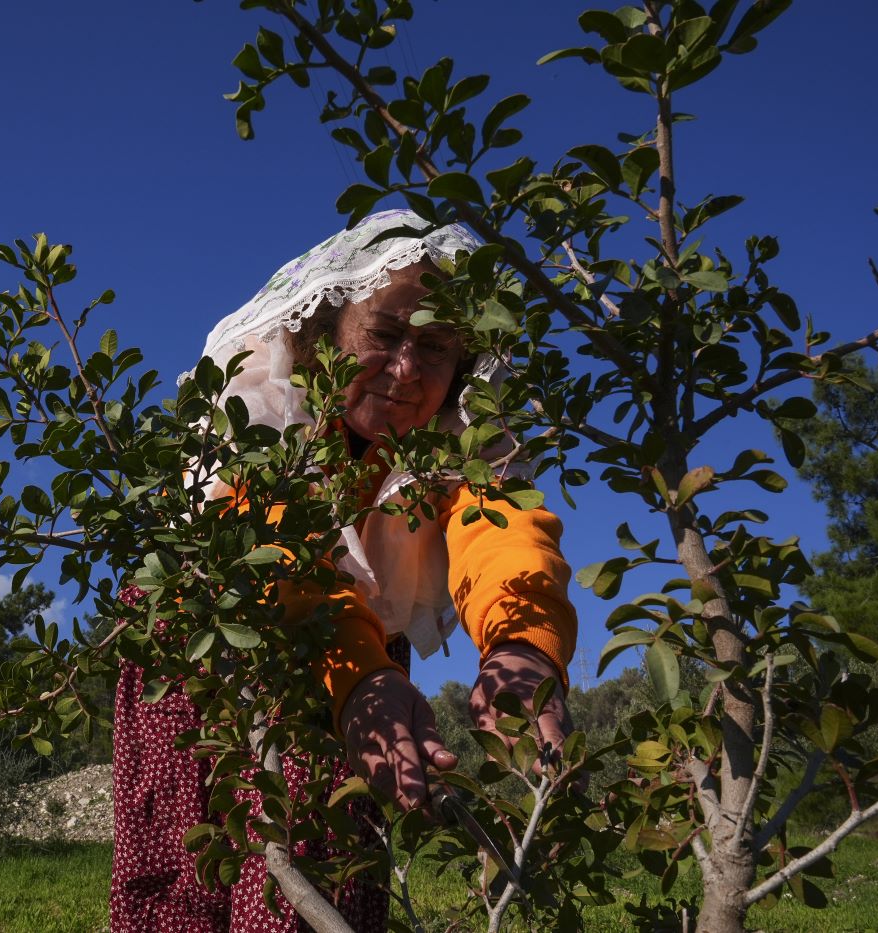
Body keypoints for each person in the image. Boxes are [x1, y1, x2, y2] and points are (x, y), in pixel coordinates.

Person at [110, 209, 578, 932]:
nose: (406, 369)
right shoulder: (263, 405)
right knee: (191, 862)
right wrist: (358, 674)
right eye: (384, 335)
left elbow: (501, 527)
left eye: (435, 346)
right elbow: (280, 544)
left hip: (362, 653)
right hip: (219, 633)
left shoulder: (458, 436)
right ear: (326, 330)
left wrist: (523, 646)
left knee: (324, 857)